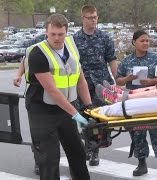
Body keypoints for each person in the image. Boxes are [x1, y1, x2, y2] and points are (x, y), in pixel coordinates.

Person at [25, 13, 91, 179]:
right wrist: (75, 113)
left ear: (67, 32)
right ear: (46, 32)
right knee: (49, 160)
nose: (56, 38)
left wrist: (89, 107)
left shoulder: (71, 46)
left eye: (60, 34)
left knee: (78, 153)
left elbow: (80, 79)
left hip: (66, 108)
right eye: (52, 34)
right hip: (42, 112)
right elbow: (52, 91)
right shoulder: (38, 54)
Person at [116, 29, 157, 178]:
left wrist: (153, 81)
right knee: (137, 134)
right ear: (134, 42)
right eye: (142, 41)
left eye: (147, 40)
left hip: (152, 100)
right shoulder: (127, 60)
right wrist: (128, 78)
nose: (145, 43)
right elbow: (118, 80)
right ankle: (141, 164)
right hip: (134, 102)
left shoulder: (155, 58)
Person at [73, 4, 118, 166]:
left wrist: (117, 81)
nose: (93, 21)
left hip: (102, 84)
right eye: (90, 18)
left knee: (99, 119)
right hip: (82, 84)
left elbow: (111, 59)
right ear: (82, 18)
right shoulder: (74, 39)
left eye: (95, 17)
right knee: (84, 118)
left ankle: (95, 151)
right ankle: (87, 148)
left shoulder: (104, 38)